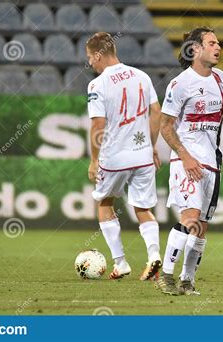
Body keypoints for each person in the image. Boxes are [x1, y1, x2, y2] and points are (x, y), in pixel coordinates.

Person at [156, 27, 223, 295]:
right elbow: (165, 126)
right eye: (211, 42)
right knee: (190, 217)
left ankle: (187, 281)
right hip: (187, 161)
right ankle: (165, 275)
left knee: (201, 226)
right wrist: (185, 156)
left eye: (218, 42)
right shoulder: (180, 84)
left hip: (212, 163)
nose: (218, 47)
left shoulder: (221, 79)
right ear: (195, 49)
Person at [86, 32, 162, 280]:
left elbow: (98, 124)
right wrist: (151, 147)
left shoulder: (98, 84)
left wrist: (95, 159)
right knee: (143, 207)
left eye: (89, 57)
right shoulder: (142, 76)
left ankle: (121, 262)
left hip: (114, 157)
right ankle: (153, 256)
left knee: (105, 203)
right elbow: (156, 112)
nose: (90, 63)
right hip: (142, 157)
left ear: (98, 54)